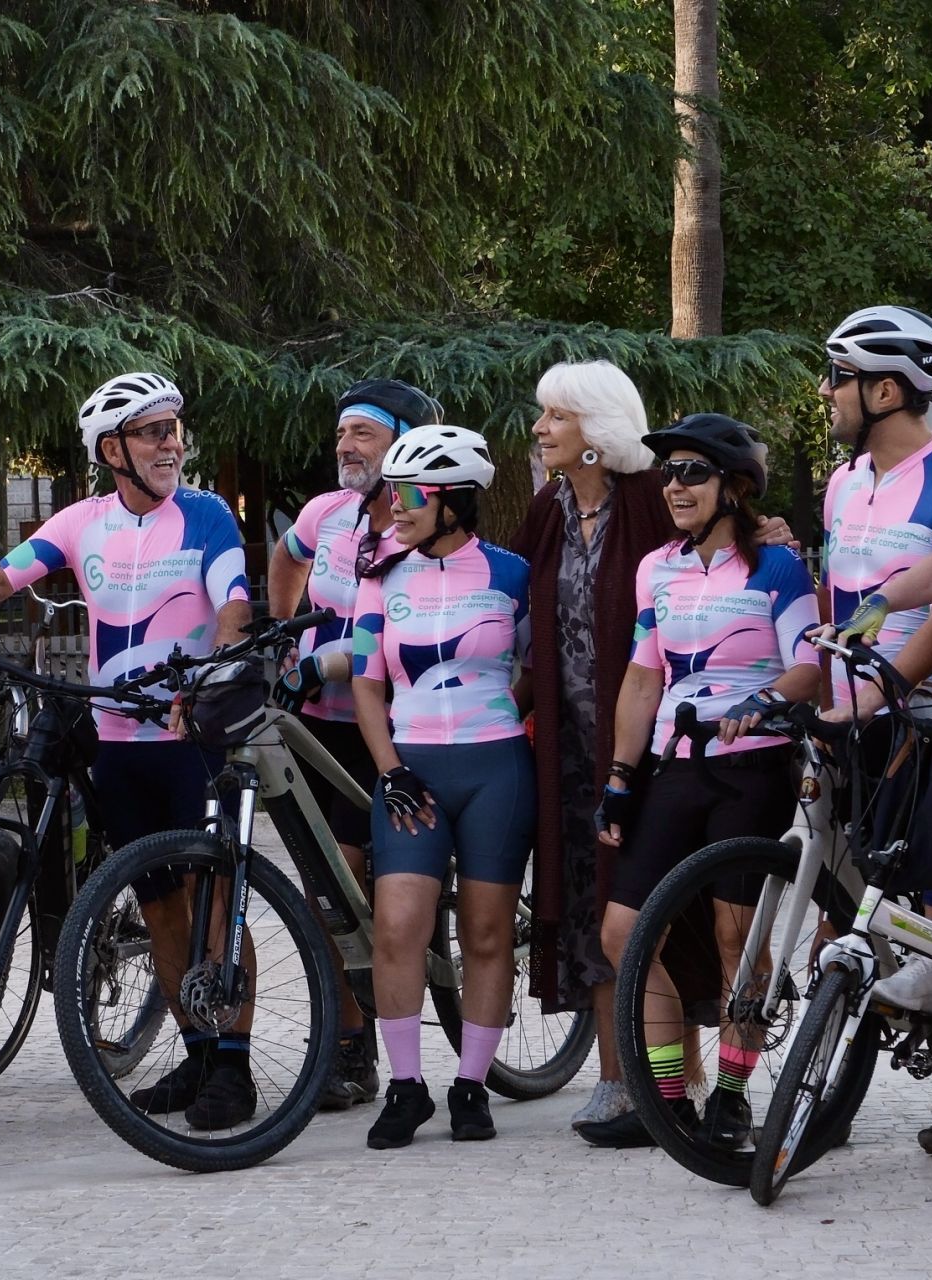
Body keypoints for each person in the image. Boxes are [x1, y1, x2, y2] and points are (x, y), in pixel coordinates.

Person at [0, 371, 257, 1129]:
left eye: (175, 428)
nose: (173, 443)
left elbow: (233, 602)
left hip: (188, 737)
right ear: (112, 449)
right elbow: (1, 578)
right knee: (159, 904)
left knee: (212, 903)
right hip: (119, 740)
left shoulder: (206, 516)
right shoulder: (81, 521)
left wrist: (218, 669)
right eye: (154, 431)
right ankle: (199, 1056)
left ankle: (235, 1067)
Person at [576, 415, 820, 1149]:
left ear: (735, 487)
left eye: (693, 472)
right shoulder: (659, 567)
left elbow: (810, 664)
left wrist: (765, 700)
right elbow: (643, 675)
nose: (674, 485)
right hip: (675, 766)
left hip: (752, 767)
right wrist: (620, 776)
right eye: (669, 472)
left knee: (735, 936)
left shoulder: (776, 566)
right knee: (624, 933)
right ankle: (671, 1100)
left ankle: (736, 1095)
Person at [350, 425, 533, 1147]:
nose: (395, 505)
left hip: (496, 771)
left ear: (454, 500)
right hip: (411, 774)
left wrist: (495, 726)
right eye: (392, 491)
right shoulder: (380, 577)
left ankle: (471, 1087)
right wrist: (391, 769)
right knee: (397, 929)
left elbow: (536, 672)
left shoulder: (513, 573)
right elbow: (367, 687)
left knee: (487, 935)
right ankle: (404, 1087)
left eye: (410, 493)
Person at [267, 378, 443, 1112]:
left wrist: (327, 657)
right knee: (325, 884)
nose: (345, 446)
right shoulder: (326, 513)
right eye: (341, 434)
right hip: (322, 719)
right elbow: (285, 559)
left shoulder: (421, 520)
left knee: (347, 872)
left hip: (397, 719)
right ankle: (346, 1036)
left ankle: (356, 1043)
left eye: (363, 435)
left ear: (402, 442)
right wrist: (283, 638)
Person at [810, 305, 932, 1153]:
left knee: (931, 912)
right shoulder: (841, 481)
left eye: (838, 377)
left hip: (922, 713)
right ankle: (821, 1097)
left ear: (885, 389)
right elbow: (839, 601)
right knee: (847, 908)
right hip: (850, 710)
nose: (825, 393)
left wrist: (893, 680)